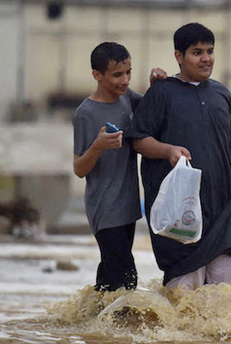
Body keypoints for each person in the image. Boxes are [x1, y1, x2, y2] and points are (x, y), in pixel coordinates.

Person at [129, 22, 231, 290]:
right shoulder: (162, 92)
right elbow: (139, 140)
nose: (206, 58)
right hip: (179, 212)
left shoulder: (222, 94)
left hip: (221, 210)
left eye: (210, 51)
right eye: (197, 52)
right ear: (179, 57)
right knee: (183, 299)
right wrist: (168, 150)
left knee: (226, 299)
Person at [72, 42, 167, 291]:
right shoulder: (86, 113)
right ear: (97, 75)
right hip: (104, 209)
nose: (125, 80)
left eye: (128, 73)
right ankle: (119, 327)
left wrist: (157, 84)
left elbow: (153, 109)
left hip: (128, 207)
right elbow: (79, 169)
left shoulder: (127, 99)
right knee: (126, 279)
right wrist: (98, 145)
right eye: (117, 75)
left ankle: (89, 325)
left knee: (109, 279)